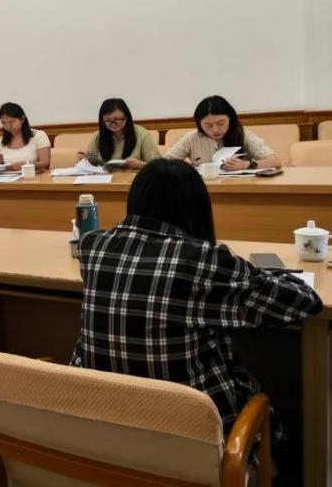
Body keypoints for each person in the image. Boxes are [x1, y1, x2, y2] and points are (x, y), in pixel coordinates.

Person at [70, 158, 321, 445]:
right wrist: (261, 274)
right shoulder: (203, 260)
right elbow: (305, 302)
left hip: (102, 431)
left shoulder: (92, 247)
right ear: (196, 208)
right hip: (193, 436)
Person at [165, 95, 281, 169]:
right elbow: (165, 163)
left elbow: (275, 161)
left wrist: (247, 165)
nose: (215, 130)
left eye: (221, 123)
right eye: (208, 125)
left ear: (230, 118)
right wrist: (183, 167)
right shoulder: (191, 138)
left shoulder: (244, 135)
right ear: (199, 124)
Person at [78, 98, 160, 169]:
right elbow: (92, 160)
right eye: (108, 121)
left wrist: (141, 165)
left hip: (133, 179)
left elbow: (158, 166)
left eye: (117, 119)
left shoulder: (142, 134)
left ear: (127, 117)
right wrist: (84, 158)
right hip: (106, 179)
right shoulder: (98, 136)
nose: (113, 124)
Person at [0, 102, 50, 172]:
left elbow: (45, 164)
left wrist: (27, 165)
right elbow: (2, 166)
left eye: (11, 122)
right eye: (4, 123)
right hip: (9, 178)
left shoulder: (39, 136)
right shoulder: (2, 140)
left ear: (22, 119)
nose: (8, 126)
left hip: (33, 177)